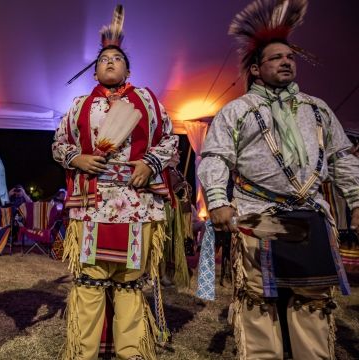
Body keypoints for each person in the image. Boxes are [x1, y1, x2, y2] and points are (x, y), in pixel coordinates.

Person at [198, 0, 359, 358]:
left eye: (290, 56)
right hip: (257, 216)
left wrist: (358, 200)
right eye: (276, 58)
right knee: (258, 302)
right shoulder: (236, 111)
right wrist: (218, 200)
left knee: (312, 301)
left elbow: (341, 158)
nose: (286, 61)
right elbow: (216, 156)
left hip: (312, 215)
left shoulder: (317, 108)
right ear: (255, 69)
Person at [52, 5, 178, 359]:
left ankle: (131, 353)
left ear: (128, 69)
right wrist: (77, 158)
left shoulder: (150, 102)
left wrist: (150, 163)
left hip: (137, 204)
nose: (110, 61)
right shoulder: (78, 106)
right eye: (104, 58)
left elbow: (170, 140)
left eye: (117, 58)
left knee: (130, 284)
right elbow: (58, 144)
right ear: (94, 70)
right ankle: (83, 353)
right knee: (89, 282)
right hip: (92, 204)